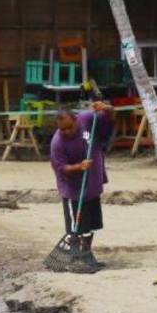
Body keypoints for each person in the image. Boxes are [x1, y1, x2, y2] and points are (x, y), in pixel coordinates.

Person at [50, 101, 115, 267]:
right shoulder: (57, 143)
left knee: (91, 224)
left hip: (92, 183)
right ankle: (74, 255)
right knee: (76, 226)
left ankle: (86, 255)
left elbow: (110, 118)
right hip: (73, 189)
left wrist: (106, 108)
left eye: (69, 127)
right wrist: (79, 166)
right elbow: (60, 168)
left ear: (76, 119)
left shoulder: (87, 119)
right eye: (62, 129)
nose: (66, 131)